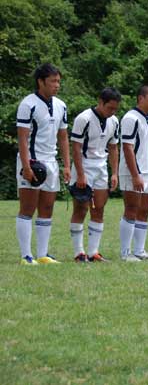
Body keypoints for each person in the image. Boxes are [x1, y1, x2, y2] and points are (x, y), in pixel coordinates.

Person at [15, 63, 70, 265]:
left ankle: (43, 254)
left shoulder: (61, 105)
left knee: (47, 207)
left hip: (51, 162)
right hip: (32, 161)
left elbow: (63, 137)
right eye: (53, 81)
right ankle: (26, 256)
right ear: (41, 82)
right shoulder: (27, 104)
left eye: (58, 81)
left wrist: (66, 165)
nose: (57, 85)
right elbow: (22, 138)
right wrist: (26, 166)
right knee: (27, 208)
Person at [69, 88, 121, 262]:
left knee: (98, 208)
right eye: (110, 108)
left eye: (115, 109)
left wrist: (115, 173)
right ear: (100, 102)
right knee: (81, 208)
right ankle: (79, 253)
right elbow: (76, 148)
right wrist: (80, 174)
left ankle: (93, 252)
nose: (112, 112)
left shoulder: (114, 121)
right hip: (84, 166)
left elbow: (113, 147)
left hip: (101, 168)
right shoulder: (83, 119)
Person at [118, 85, 148, 261]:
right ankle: (125, 252)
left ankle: (139, 250)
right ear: (141, 98)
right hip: (133, 172)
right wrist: (135, 175)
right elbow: (127, 147)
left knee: (144, 211)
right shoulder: (130, 118)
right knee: (131, 209)